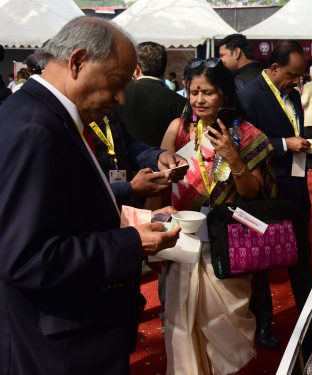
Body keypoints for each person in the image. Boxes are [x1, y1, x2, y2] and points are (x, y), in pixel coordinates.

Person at [0, 17, 180, 374]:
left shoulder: (46, 115)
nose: (121, 97)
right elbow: (27, 258)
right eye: (116, 82)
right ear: (78, 62)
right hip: (63, 345)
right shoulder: (36, 128)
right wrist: (131, 243)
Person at [160, 58, 275, 374]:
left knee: (228, 319)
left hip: (228, 243)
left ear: (224, 94)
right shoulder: (178, 129)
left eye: (207, 92)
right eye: (193, 91)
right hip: (181, 239)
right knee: (182, 321)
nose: (198, 100)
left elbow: (253, 193)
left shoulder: (247, 135)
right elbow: (161, 183)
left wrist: (232, 156)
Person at [238, 40, 312, 349]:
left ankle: (309, 315)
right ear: (273, 69)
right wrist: (285, 145)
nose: (297, 81)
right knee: (264, 261)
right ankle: (264, 325)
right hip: (266, 188)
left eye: (300, 75)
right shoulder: (250, 96)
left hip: (296, 184)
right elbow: (244, 143)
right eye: (292, 74)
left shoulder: (293, 95)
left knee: (301, 254)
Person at [120, 41, 186, 147]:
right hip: (167, 160)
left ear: (136, 70)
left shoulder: (119, 95)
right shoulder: (179, 101)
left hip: (128, 160)